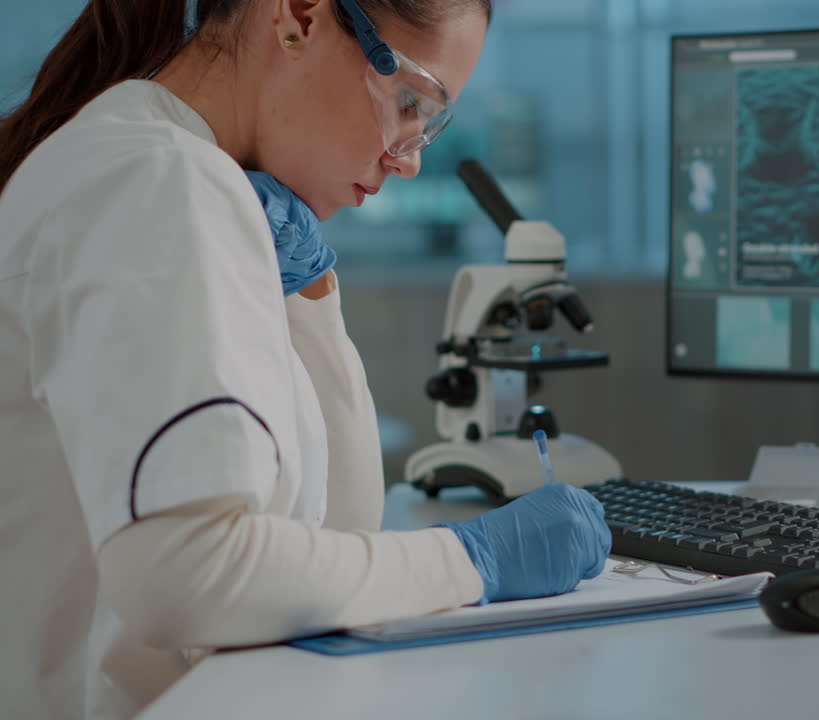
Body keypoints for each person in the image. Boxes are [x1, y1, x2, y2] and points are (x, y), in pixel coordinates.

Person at [0, 1, 611, 718]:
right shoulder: (158, 176)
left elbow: (340, 533)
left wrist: (310, 297)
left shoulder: (192, 174)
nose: (409, 158)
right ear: (300, 18)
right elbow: (185, 577)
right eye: (411, 101)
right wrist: (473, 561)